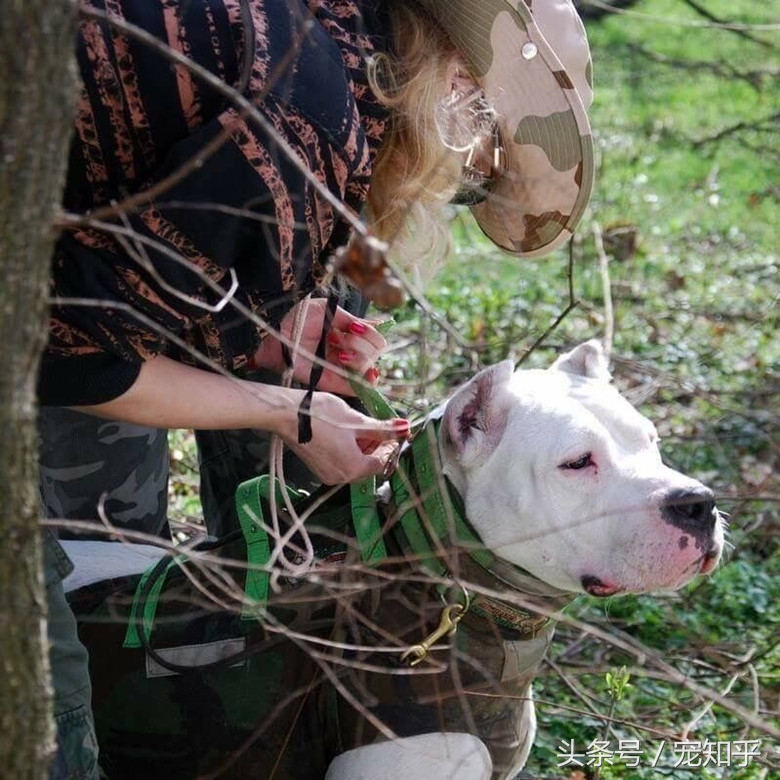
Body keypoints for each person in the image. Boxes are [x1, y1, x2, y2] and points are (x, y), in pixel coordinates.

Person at [40, 0, 594, 777]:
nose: (460, 182)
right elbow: (66, 357)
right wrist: (287, 411)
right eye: (477, 165)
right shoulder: (305, 129)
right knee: (45, 661)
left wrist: (261, 325)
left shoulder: (324, 44)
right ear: (461, 85)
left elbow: (145, 239)